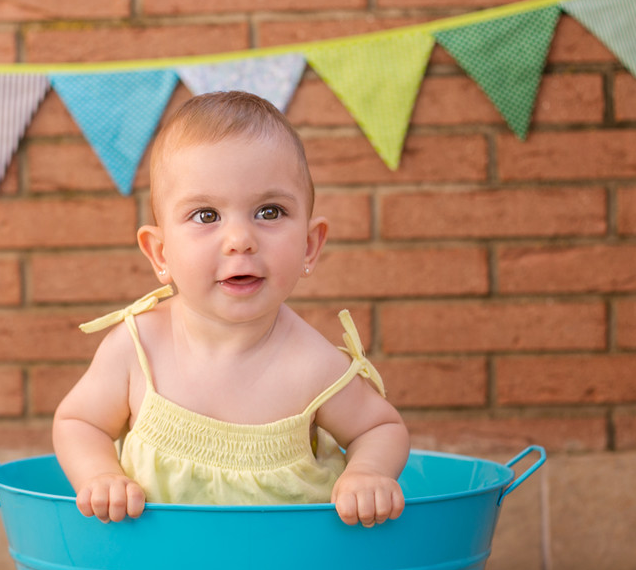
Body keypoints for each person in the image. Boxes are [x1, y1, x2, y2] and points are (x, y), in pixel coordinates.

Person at [52, 90, 409, 528]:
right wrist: (100, 475)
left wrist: (366, 474)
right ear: (160, 253)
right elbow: (78, 422)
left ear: (309, 246)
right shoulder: (137, 348)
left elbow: (380, 429)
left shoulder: (314, 365)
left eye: (270, 211)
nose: (240, 238)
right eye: (206, 216)